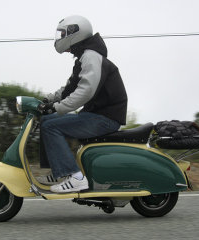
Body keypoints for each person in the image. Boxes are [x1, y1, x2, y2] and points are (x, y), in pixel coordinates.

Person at [38, 15, 128, 193]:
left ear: (75, 32)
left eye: (63, 33)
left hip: (105, 118)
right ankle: (59, 172)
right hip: (96, 115)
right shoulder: (84, 57)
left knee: (51, 127)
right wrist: (48, 100)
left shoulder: (91, 56)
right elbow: (69, 89)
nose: (61, 37)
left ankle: (75, 177)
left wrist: (59, 107)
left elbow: (86, 90)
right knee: (46, 121)